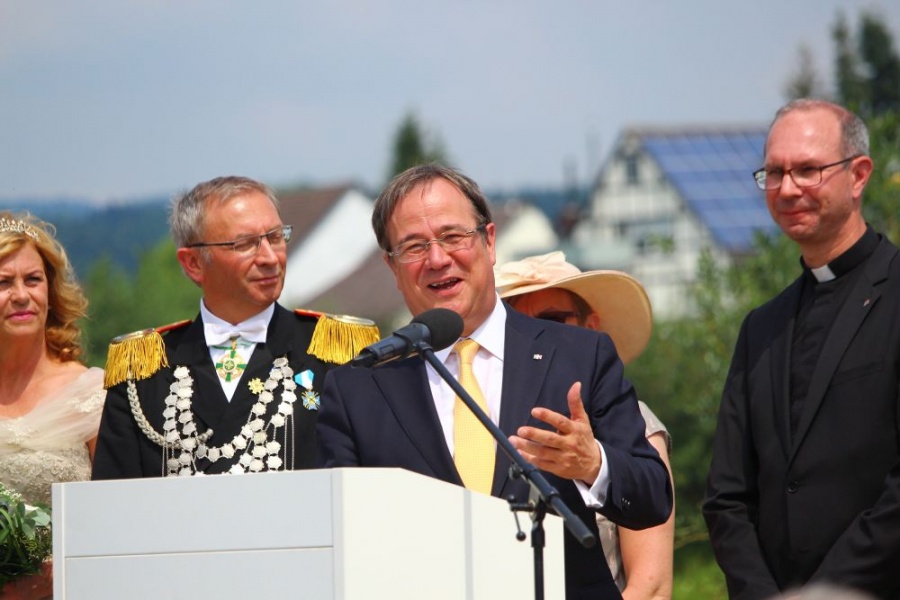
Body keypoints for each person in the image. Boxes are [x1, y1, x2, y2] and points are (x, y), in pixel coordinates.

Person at [317, 163, 673, 599]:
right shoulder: (359, 388)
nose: (437, 259)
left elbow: (653, 497)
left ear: (488, 241)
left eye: (452, 237)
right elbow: (339, 540)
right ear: (391, 266)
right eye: (413, 247)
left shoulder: (580, 355)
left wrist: (592, 464)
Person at [703, 98, 900, 599]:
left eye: (808, 170)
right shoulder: (761, 328)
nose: (788, 189)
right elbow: (727, 497)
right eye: (774, 172)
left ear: (858, 176)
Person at [92, 176, 379, 479]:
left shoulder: (335, 355)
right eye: (245, 244)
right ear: (193, 263)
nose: (270, 258)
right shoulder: (144, 369)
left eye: (276, 237)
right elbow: (115, 503)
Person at [496, 250, 674, 599]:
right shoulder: (491, 421)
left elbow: (650, 587)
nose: (538, 337)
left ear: (590, 327)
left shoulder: (637, 423)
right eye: (521, 325)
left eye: (552, 320)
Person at [0, 212, 105, 599]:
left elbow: (120, 518)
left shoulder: (92, 394)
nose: (22, 295)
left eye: (33, 279)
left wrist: (54, 576)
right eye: (3, 283)